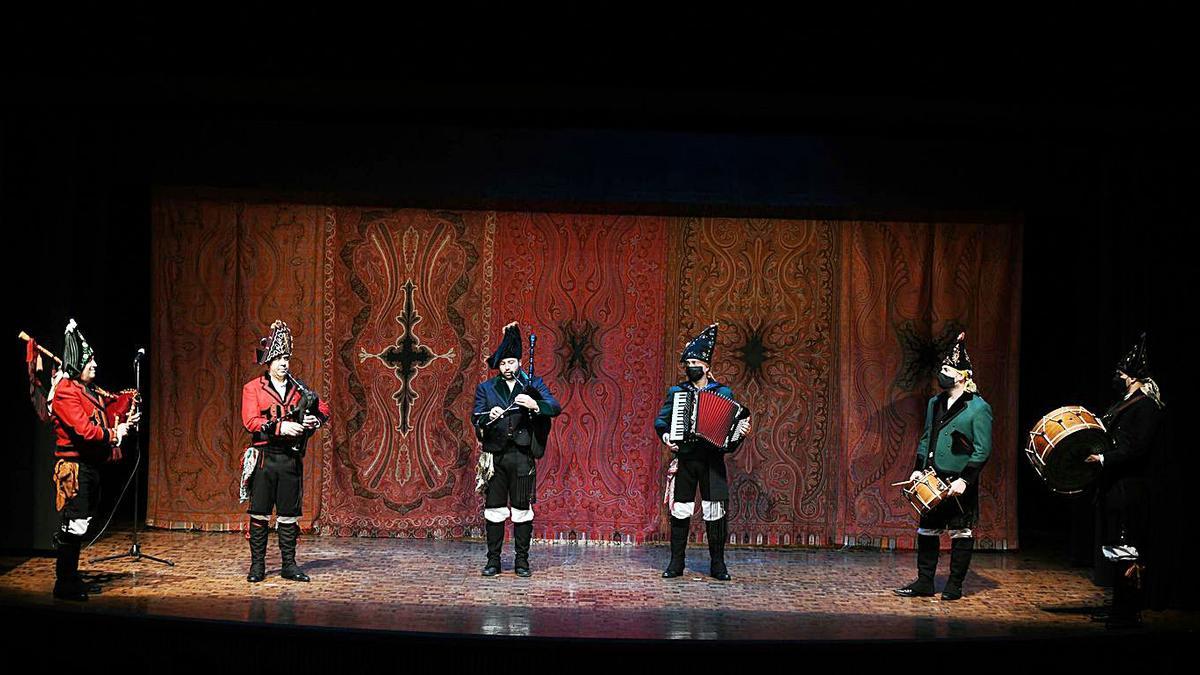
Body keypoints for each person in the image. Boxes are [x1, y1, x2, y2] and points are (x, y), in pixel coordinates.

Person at [895, 332, 992, 601]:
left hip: (959, 479)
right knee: (927, 529)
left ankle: (954, 585)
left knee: (961, 530)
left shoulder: (978, 408)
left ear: (962, 375)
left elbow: (983, 449)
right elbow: (927, 436)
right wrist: (918, 467)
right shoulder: (934, 403)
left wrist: (966, 479)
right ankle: (925, 581)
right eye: (942, 368)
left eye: (947, 369)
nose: (942, 373)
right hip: (933, 476)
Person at [48, 319, 139, 600]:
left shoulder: (88, 391)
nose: (95, 365)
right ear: (78, 365)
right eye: (90, 361)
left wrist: (123, 419)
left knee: (84, 521)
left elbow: (102, 415)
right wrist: (115, 433)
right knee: (75, 524)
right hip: (74, 468)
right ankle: (64, 583)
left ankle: (72, 577)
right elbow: (85, 430)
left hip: (90, 465)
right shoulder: (65, 391)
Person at [653, 322, 751, 581]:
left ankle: (718, 564)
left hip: (712, 460)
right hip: (686, 458)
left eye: (695, 362)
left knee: (715, 511)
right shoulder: (677, 393)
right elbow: (661, 422)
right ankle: (676, 562)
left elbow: (733, 425)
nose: (691, 367)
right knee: (680, 510)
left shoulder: (723, 392)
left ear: (707, 366)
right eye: (687, 364)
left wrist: (740, 432)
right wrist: (666, 437)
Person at [1085, 332, 1167, 627]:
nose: (1117, 377)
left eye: (1121, 374)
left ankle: (1128, 612)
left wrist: (1104, 458)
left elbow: (1137, 447)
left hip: (1131, 487)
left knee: (1127, 548)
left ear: (1133, 378)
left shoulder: (1146, 406)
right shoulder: (1125, 402)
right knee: (1115, 549)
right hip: (1116, 486)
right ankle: (1119, 606)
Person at [241, 320, 330, 583]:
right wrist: (281, 427)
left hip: (290, 459)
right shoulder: (253, 388)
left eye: (286, 358)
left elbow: (322, 408)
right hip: (265, 458)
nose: (283, 363)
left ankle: (288, 566)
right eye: (278, 358)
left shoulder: (298, 389)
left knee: (289, 515)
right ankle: (257, 566)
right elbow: (250, 421)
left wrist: (315, 421)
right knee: (260, 513)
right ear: (268, 361)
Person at [472, 322, 560, 577]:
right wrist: (490, 414)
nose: (507, 367)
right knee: (495, 510)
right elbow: (476, 416)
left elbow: (554, 407)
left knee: (522, 511)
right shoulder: (486, 389)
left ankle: (522, 561)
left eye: (511, 362)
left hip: (522, 456)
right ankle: (493, 561)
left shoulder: (532, 383)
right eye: (503, 364)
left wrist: (534, 404)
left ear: (519, 361)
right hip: (496, 456)